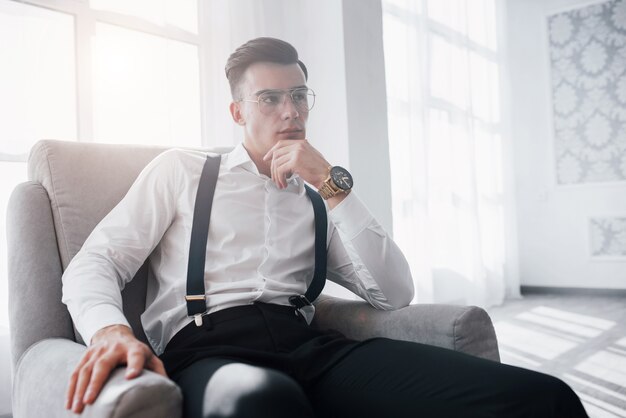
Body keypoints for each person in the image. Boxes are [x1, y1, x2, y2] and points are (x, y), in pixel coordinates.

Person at [62, 37, 588, 418]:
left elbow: (396, 293)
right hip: (207, 351)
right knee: (265, 402)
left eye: (299, 95)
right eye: (270, 98)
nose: (290, 111)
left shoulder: (319, 199)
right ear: (237, 111)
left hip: (311, 350)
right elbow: (97, 261)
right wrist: (110, 330)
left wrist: (332, 184)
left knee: (544, 399)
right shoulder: (184, 171)